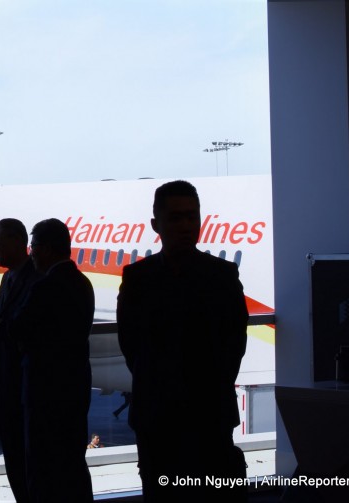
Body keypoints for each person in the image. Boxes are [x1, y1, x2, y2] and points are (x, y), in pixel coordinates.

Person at [116, 180, 248, 502]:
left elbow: (235, 344)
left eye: (192, 217)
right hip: (159, 418)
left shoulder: (223, 275)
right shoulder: (137, 278)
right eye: (176, 218)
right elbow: (131, 344)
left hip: (208, 415)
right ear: (155, 225)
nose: (187, 226)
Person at [10, 218, 95, 503]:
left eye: (33, 246)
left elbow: (19, 331)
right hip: (75, 387)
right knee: (72, 462)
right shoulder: (83, 283)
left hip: (44, 392)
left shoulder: (45, 287)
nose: (30, 253)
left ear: (45, 249)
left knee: (41, 468)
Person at [0, 218, 43, 503]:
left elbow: (18, 325)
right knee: (16, 461)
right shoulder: (9, 278)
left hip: (26, 388)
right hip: (8, 387)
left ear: (20, 243)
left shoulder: (36, 278)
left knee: (30, 463)